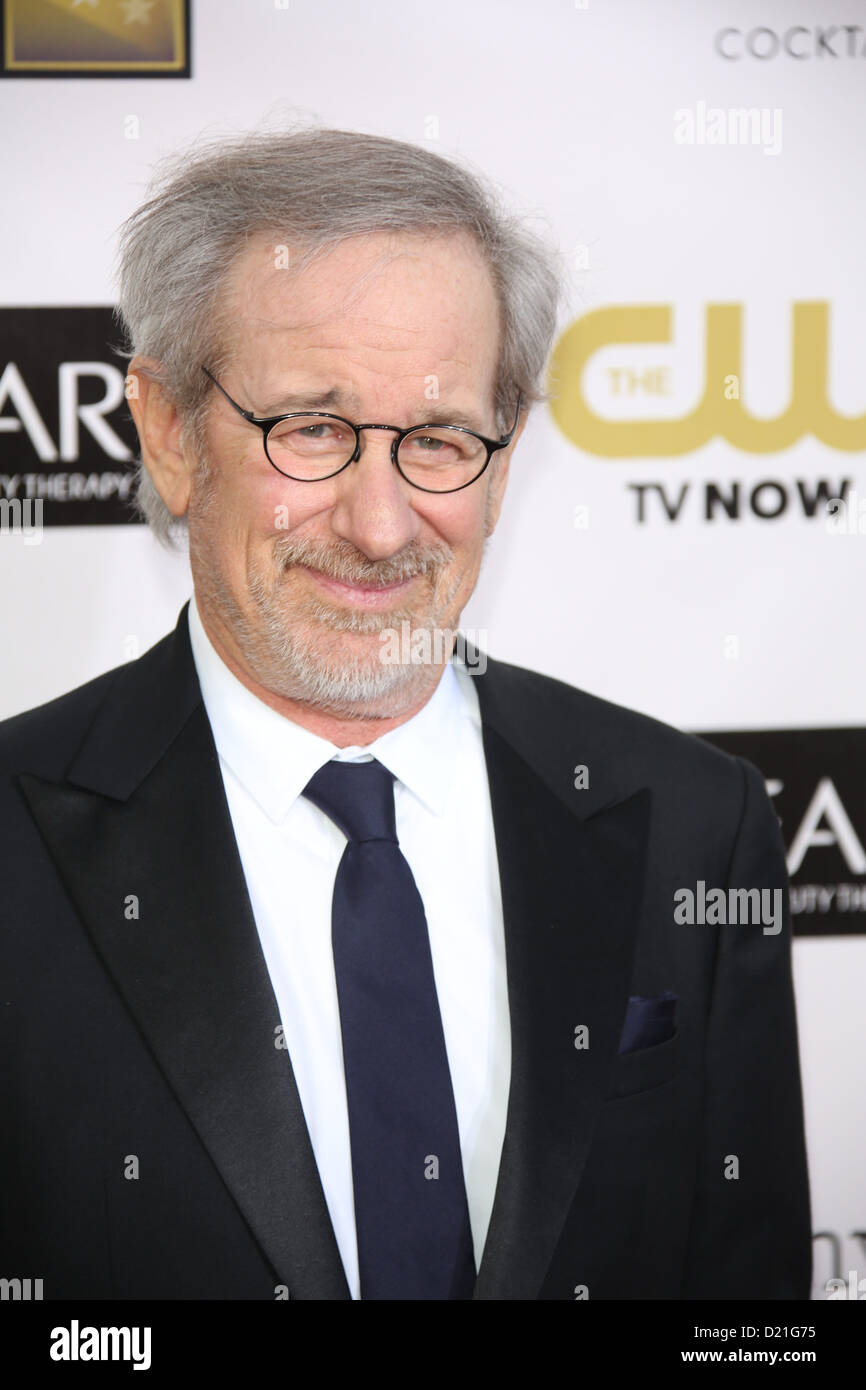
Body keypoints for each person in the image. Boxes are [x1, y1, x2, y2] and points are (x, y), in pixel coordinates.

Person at [0, 128, 810, 1300]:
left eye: (436, 440)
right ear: (171, 432)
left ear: (501, 455)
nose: (380, 526)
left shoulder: (693, 821)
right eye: (312, 430)